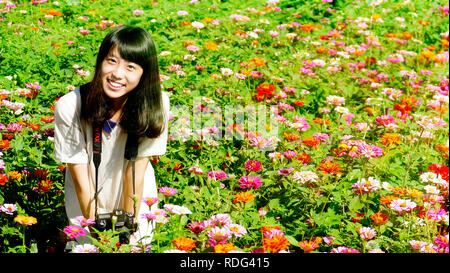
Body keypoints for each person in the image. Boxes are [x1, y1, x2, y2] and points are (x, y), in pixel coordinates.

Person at [54, 25, 169, 247]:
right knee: (89, 246)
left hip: (134, 195)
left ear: (144, 73)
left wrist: (129, 229)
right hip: (86, 194)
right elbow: (81, 179)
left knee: (134, 245)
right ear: (100, 62)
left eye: (131, 67)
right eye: (112, 61)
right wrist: (100, 231)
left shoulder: (155, 104)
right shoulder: (72, 105)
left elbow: (135, 172)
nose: (117, 74)